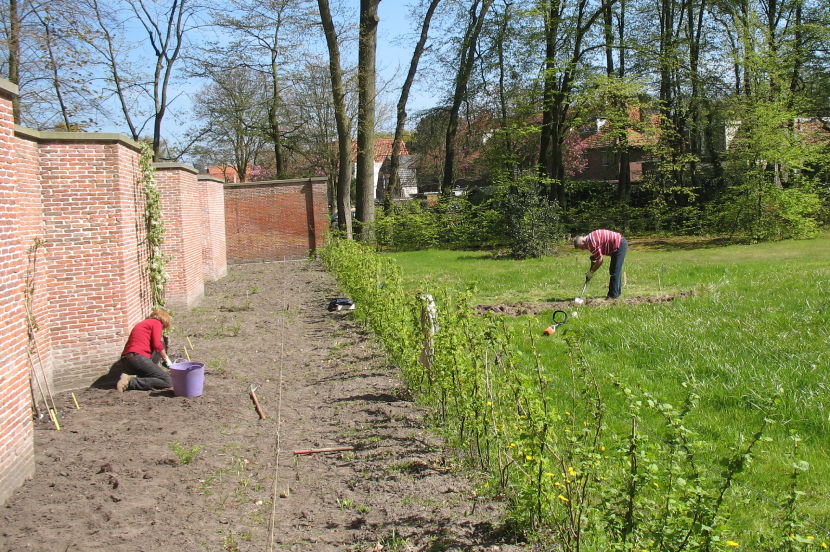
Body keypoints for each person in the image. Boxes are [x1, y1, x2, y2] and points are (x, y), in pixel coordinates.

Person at [117, 308, 174, 392]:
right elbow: (157, 345)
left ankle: (142, 377)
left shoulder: (144, 324)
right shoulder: (156, 322)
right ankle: (130, 382)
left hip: (128, 361)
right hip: (137, 358)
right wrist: (167, 360)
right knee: (168, 381)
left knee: (161, 346)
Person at [573, 229, 628, 299]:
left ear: (583, 241)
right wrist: (594, 256)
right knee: (615, 270)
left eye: (581, 247)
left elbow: (600, 260)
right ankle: (617, 293)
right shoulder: (589, 238)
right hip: (618, 244)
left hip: (619, 244)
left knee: (615, 271)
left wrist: (591, 272)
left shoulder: (591, 243)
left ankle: (613, 295)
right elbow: (600, 246)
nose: (582, 249)